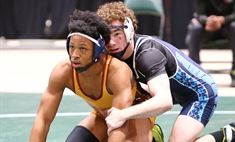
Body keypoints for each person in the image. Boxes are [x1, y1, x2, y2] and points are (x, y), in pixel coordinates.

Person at [96, 1, 235, 142]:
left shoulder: (148, 55)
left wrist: (123, 114)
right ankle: (155, 136)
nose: (112, 42)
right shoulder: (111, 53)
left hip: (200, 94)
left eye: (117, 34)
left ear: (129, 31)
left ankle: (230, 134)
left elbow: (164, 101)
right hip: (170, 88)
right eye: (107, 37)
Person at [29, 9, 161, 142]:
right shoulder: (63, 71)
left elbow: (119, 122)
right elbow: (43, 118)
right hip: (104, 114)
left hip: (133, 114)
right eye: (72, 46)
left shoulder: (117, 71)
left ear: (97, 50)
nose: (74, 55)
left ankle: (153, 137)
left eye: (83, 48)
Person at [185, 0, 235, 87]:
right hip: (208, 28)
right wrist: (209, 21)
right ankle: (194, 73)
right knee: (195, 28)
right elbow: (200, 14)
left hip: (227, 29)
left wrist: (222, 20)